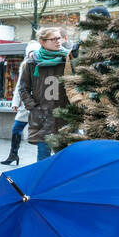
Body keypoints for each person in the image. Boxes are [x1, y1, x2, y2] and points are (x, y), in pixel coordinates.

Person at [19, 27, 70, 161]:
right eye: (53, 39)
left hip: (64, 117)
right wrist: (34, 109)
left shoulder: (68, 60)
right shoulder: (32, 62)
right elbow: (23, 89)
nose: (58, 41)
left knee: (63, 159)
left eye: (59, 38)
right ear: (42, 42)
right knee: (43, 159)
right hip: (43, 118)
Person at [0, 41, 39, 166]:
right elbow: (19, 86)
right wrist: (15, 102)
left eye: (34, 52)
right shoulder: (25, 65)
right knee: (16, 128)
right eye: (30, 53)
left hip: (39, 105)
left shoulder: (43, 64)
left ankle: (43, 160)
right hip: (26, 105)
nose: (32, 55)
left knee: (42, 134)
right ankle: (13, 154)